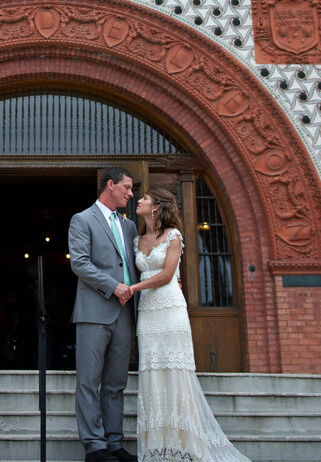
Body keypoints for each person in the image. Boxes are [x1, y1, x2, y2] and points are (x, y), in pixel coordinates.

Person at [128, 187, 253, 462]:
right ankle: (157, 446)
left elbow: (167, 274)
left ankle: (183, 444)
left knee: (174, 372)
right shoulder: (137, 239)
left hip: (170, 309)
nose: (139, 200)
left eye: (145, 198)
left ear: (157, 206)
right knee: (152, 373)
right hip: (147, 313)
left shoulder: (174, 235)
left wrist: (133, 287)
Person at [68, 166, 141, 462]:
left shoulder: (129, 226)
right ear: (110, 185)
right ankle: (94, 445)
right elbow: (80, 264)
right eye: (127, 187)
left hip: (124, 315)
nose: (131, 193)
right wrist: (114, 287)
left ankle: (114, 442)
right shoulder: (82, 220)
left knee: (116, 383)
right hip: (94, 312)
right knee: (88, 380)